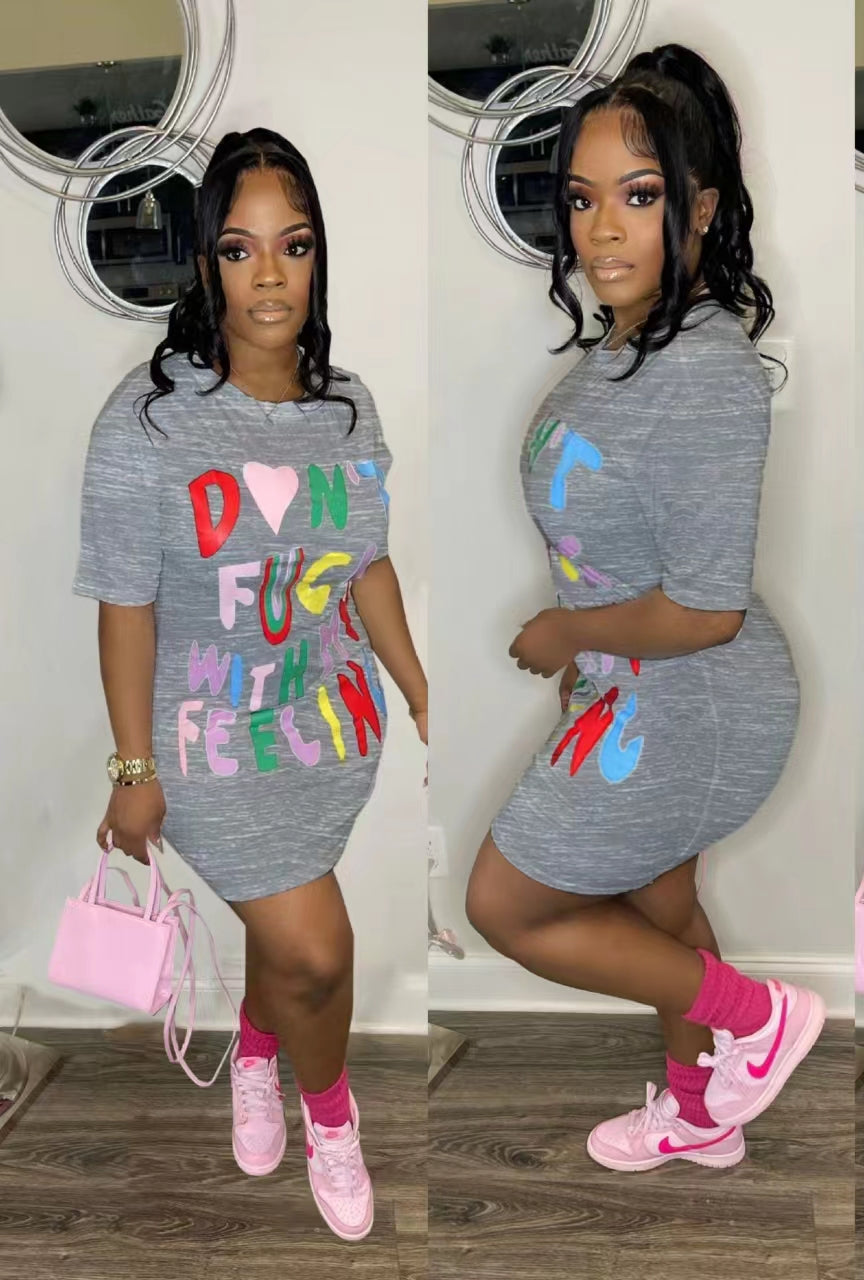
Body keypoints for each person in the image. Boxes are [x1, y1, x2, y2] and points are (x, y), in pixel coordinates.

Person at [464, 44, 824, 1172]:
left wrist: (566, 631)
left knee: (503, 904)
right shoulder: (633, 343)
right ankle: (700, 1110)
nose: (601, 229)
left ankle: (759, 1018)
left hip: (698, 698)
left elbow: (709, 611)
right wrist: (596, 655)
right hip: (641, 686)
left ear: (699, 209)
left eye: (639, 195)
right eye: (583, 200)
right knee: (661, 910)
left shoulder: (706, 369)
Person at [74, 128, 428, 1242]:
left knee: (289, 936)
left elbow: (365, 563)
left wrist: (420, 687)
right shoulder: (148, 422)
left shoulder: (350, 408)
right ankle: (334, 1116)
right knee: (318, 952)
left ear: (319, 256)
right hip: (209, 744)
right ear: (205, 263)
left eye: (294, 245)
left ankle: (259, 1049)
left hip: (330, 725)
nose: (269, 275)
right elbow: (124, 602)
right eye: (239, 249)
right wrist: (133, 768)